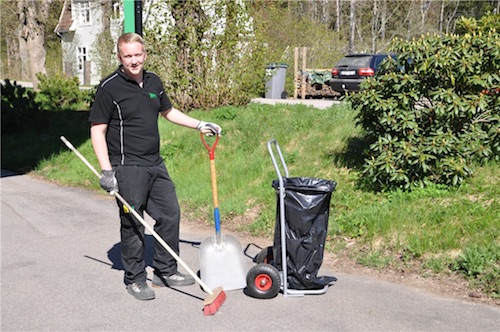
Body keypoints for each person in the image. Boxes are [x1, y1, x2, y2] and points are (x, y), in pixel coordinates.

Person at [88, 32, 221, 301]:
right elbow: (97, 130)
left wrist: (199, 124)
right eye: (128, 56)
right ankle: (135, 279)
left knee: (170, 214)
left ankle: (165, 270)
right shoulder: (109, 88)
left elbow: (168, 112)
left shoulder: (153, 81)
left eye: (138, 55)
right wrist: (106, 171)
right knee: (134, 223)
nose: (134, 61)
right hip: (127, 167)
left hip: (155, 163)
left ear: (145, 54)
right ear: (120, 57)